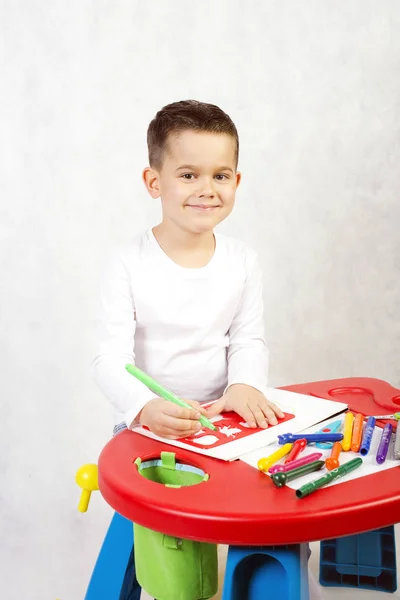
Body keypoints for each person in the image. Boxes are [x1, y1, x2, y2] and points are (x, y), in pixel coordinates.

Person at [92, 99, 283, 600]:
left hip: (222, 420)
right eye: (189, 174)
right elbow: (109, 359)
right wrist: (144, 407)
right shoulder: (127, 263)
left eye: (221, 175)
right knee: (171, 558)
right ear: (155, 183)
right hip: (149, 425)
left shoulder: (243, 260)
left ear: (237, 183)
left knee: (262, 515)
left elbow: (248, 338)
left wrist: (244, 384)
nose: (207, 189)